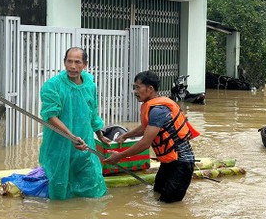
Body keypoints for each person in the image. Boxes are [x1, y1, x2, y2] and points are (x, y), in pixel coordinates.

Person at [102, 71, 199, 203]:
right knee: (157, 192)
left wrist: (119, 156)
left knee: (168, 206)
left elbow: (145, 143)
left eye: (138, 87)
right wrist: (126, 136)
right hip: (169, 161)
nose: (135, 91)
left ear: (150, 89)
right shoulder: (154, 107)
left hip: (181, 163)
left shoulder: (158, 110)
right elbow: (146, 128)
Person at [39, 47, 112, 200]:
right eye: (69, 61)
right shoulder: (53, 86)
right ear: (64, 62)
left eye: (77, 62)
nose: (72, 66)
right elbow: (51, 116)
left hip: (84, 142)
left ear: (85, 64)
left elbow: (92, 113)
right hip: (59, 144)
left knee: (93, 184)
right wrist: (71, 137)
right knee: (59, 185)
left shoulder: (90, 85)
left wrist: (100, 135)